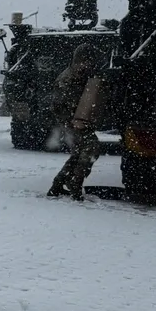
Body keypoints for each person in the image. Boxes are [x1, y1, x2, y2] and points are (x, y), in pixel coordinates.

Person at [47, 44, 105, 200]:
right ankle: (75, 183)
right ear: (79, 60)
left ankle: (58, 184)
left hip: (76, 120)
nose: (89, 65)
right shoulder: (67, 79)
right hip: (71, 121)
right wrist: (71, 122)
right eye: (87, 62)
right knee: (91, 148)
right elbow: (58, 105)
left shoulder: (79, 75)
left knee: (79, 153)